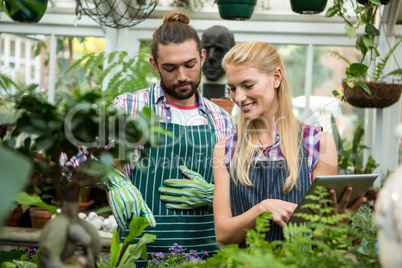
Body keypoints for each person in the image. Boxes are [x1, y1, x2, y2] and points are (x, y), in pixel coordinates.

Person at [108, 11, 235, 265]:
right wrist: (112, 180)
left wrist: (216, 194)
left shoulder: (222, 120)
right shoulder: (129, 107)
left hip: (207, 258)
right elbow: (72, 160)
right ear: (154, 64)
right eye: (170, 67)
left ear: (201, 57)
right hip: (140, 257)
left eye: (189, 65)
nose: (182, 77)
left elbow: (244, 188)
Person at [212, 41, 366, 247]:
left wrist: (336, 225)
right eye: (232, 88)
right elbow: (223, 234)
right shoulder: (225, 149)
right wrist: (263, 209)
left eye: (248, 85)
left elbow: (322, 241)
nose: (238, 97)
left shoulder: (319, 144)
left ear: (276, 77)